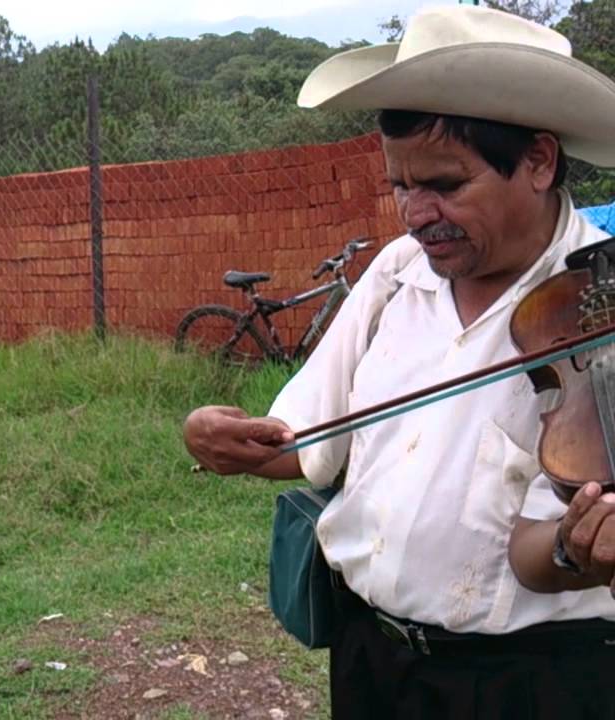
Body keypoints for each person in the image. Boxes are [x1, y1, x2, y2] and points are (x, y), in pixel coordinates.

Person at [183, 5, 615, 718]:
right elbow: (309, 442)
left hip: (526, 684)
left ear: (537, 161)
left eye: (445, 185)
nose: (416, 214)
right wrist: (220, 437)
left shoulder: (598, 319)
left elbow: (539, 554)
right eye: (400, 186)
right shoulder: (395, 274)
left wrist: (578, 549)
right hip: (371, 659)